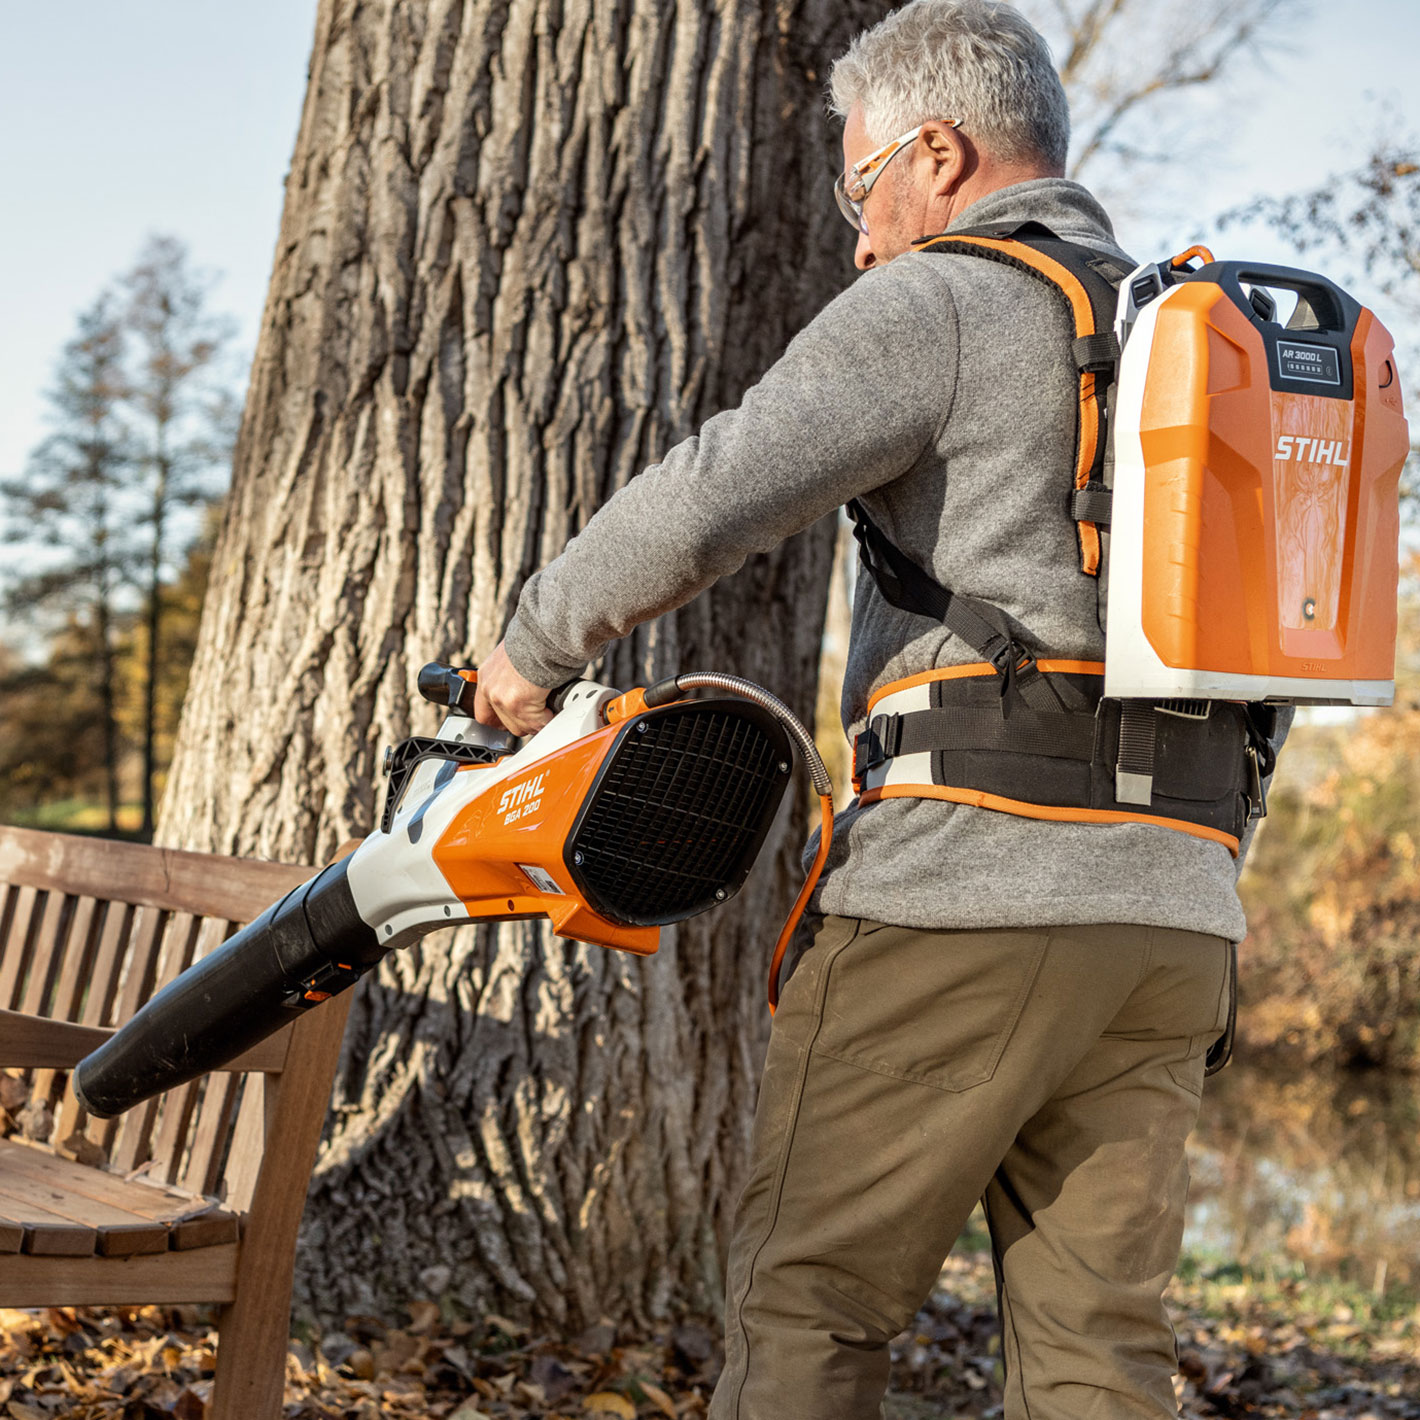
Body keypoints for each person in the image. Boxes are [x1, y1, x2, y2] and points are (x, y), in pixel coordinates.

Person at [475, 2, 1282, 1415]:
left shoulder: (946, 301)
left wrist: (532, 642)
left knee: (809, 1305)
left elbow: (716, 488)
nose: (857, 237)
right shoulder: (1194, 340)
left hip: (964, 898)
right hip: (1175, 920)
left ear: (942, 152)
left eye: (863, 190)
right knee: (1101, 1349)